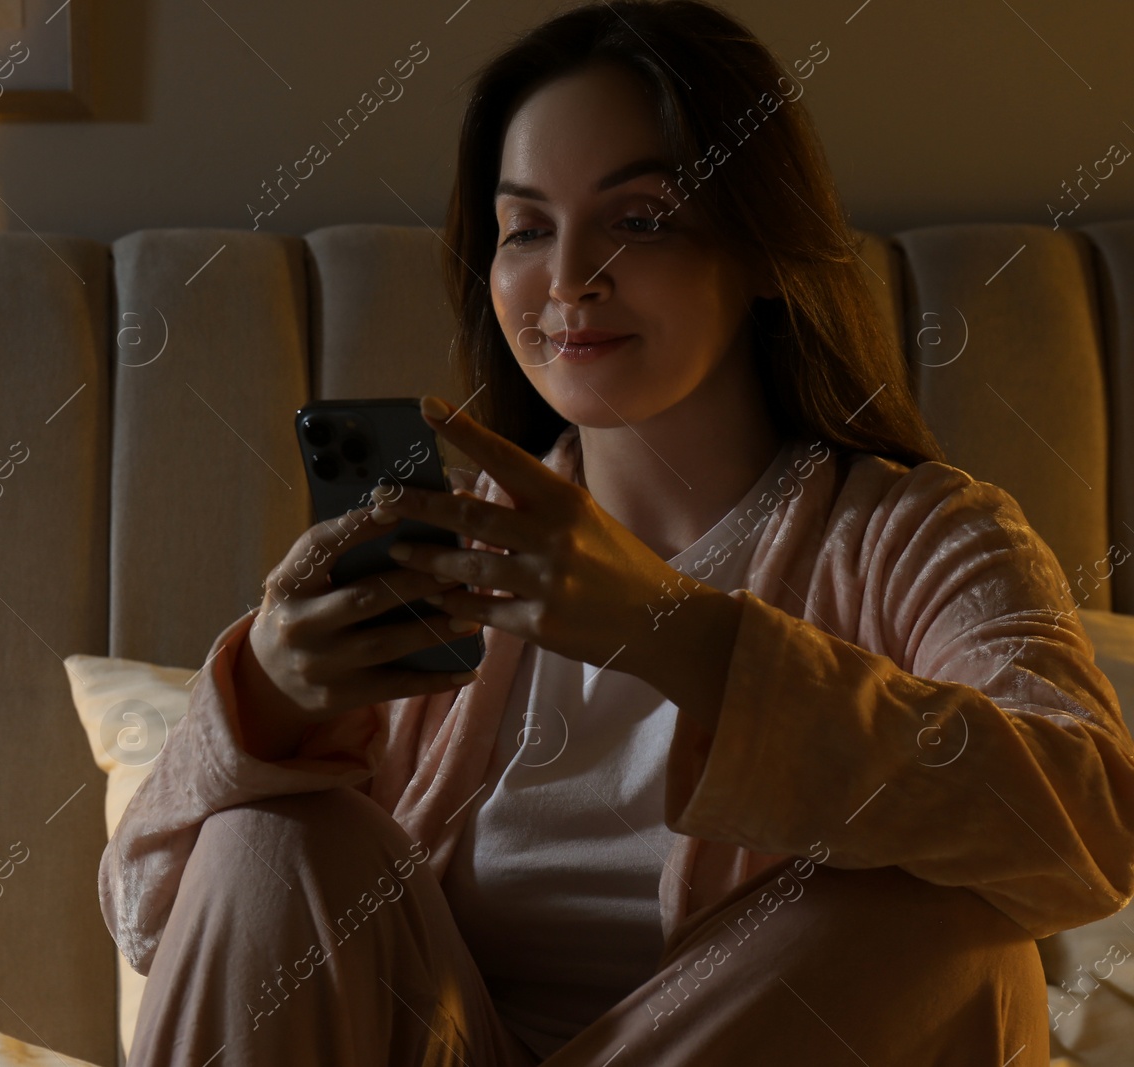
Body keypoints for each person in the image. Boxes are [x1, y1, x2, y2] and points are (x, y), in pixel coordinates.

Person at [99, 2, 1134, 1064]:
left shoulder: (922, 537)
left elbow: (1089, 834)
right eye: (527, 228)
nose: (565, 281)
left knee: (935, 914)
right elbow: (148, 916)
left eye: (639, 220)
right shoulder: (434, 550)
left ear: (766, 254)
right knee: (272, 837)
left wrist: (671, 630)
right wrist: (264, 706)